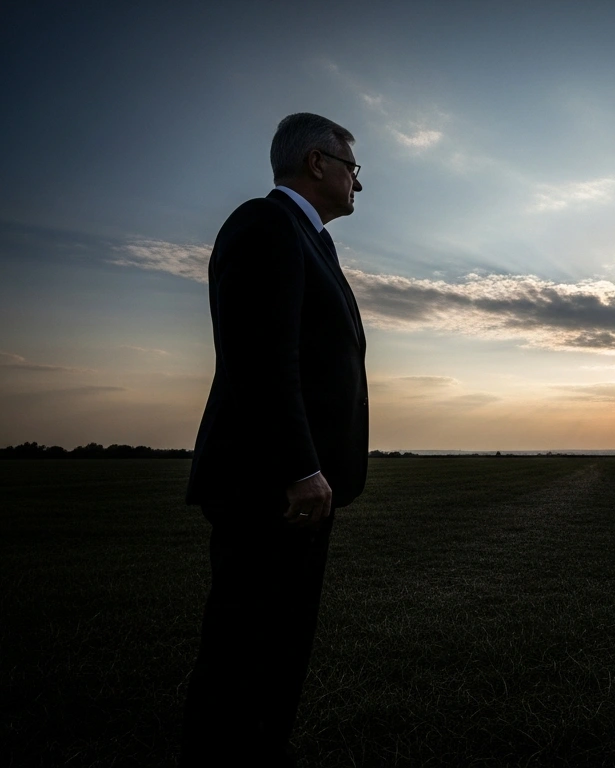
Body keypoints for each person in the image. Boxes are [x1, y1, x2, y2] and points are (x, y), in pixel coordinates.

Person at [181, 112, 369, 767]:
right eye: (353, 168)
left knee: (281, 649)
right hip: (270, 488)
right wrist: (298, 467)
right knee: (243, 652)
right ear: (317, 163)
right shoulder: (265, 225)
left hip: (299, 492)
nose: (358, 185)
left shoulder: (308, 239)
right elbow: (260, 357)